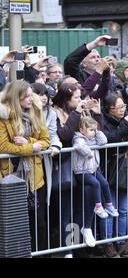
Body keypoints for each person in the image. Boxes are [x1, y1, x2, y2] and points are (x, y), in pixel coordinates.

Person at [51, 83, 103, 257]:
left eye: (81, 97)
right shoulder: (56, 112)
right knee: (67, 212)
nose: (80, 100)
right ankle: (68, 250)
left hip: (84, 169)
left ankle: (78, 248)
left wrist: (96, 113)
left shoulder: (81, 111)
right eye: (77, 97)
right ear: (67, 98)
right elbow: (64, 135)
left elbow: (98, 134)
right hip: (67, 168)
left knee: (83, 208)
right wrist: (76, 113)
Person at [0, 80, 51, 252]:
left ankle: (41, 254)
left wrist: (28, 142)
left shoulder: (36, 111)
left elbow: (46, 141)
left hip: (34, 178)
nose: (31, 99)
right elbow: (4, 146)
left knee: (39, 223)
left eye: (31, 95)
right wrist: (31, 148)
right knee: (14, 226)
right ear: (16, 97)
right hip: (10, 177)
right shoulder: (3, 115)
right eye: (26, 96)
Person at [99, 93, 128, 258]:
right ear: (108, 109)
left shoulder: (126, 119)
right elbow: (112, 139)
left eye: (123, 107)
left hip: (125, 168)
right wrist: (125, 124)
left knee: (123, 209)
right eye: (118, 107)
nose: (122, 110)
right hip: (110, 168)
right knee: (110, 209)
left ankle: (122, 241)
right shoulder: (103, 122)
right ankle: (108, 243)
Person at [72, 116, 119, 248]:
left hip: (93, 170)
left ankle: (109, 205)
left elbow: (104, 141)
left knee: (104, 183)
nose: (93, 132)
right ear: (82, 130)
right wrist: (88, 152)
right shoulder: (78, 137)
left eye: (95, 130)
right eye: (91, 130)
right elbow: (79, 145)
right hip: (82, 172)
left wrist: (97, 131)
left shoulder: (94, 137)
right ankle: (98, 207)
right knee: (96, 185)